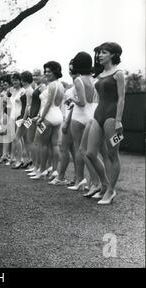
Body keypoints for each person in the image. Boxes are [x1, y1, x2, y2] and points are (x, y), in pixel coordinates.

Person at [85, 42, 125, 204]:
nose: (100, 55)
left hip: (111, 117)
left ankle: (110, 191)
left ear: (113, 55)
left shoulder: (119, 73)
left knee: (112, 154)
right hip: (98, 114)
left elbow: (122, 98)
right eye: (99, 53)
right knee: (90, 153)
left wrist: (119, 120)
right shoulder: (100, 75)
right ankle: (105, 183)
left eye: (104, 52)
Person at [67, 52, 98, 191]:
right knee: (93, 151)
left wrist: (71, 99)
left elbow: (82, 102)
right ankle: (93, 182)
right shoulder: (94, 79)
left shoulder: (78, 80)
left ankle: (80, 179)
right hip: (93, 115)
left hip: (80, 115)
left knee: (80, 148)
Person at [31, 61, 64, 180]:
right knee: (54, 145)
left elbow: (48, 103)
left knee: (42, 144)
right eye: (45, 71)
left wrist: (41, 118)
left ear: (56, 71)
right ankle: (55, 170)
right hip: (57, 116)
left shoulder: (51, 85)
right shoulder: (60, 85)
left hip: (48, 117)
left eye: (49, 71)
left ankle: (42, 170)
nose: (46, 73)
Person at [49, 61, 77, 186]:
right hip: (66, 118)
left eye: (74, 69)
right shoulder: (70, 88)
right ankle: (77, 177)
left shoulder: (79, 87)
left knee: (64, 148)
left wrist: (66, 122)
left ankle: (61, 176)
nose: (71, 72)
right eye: (70, 69)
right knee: (70, 149)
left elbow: (75, 106)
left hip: (72, 120)